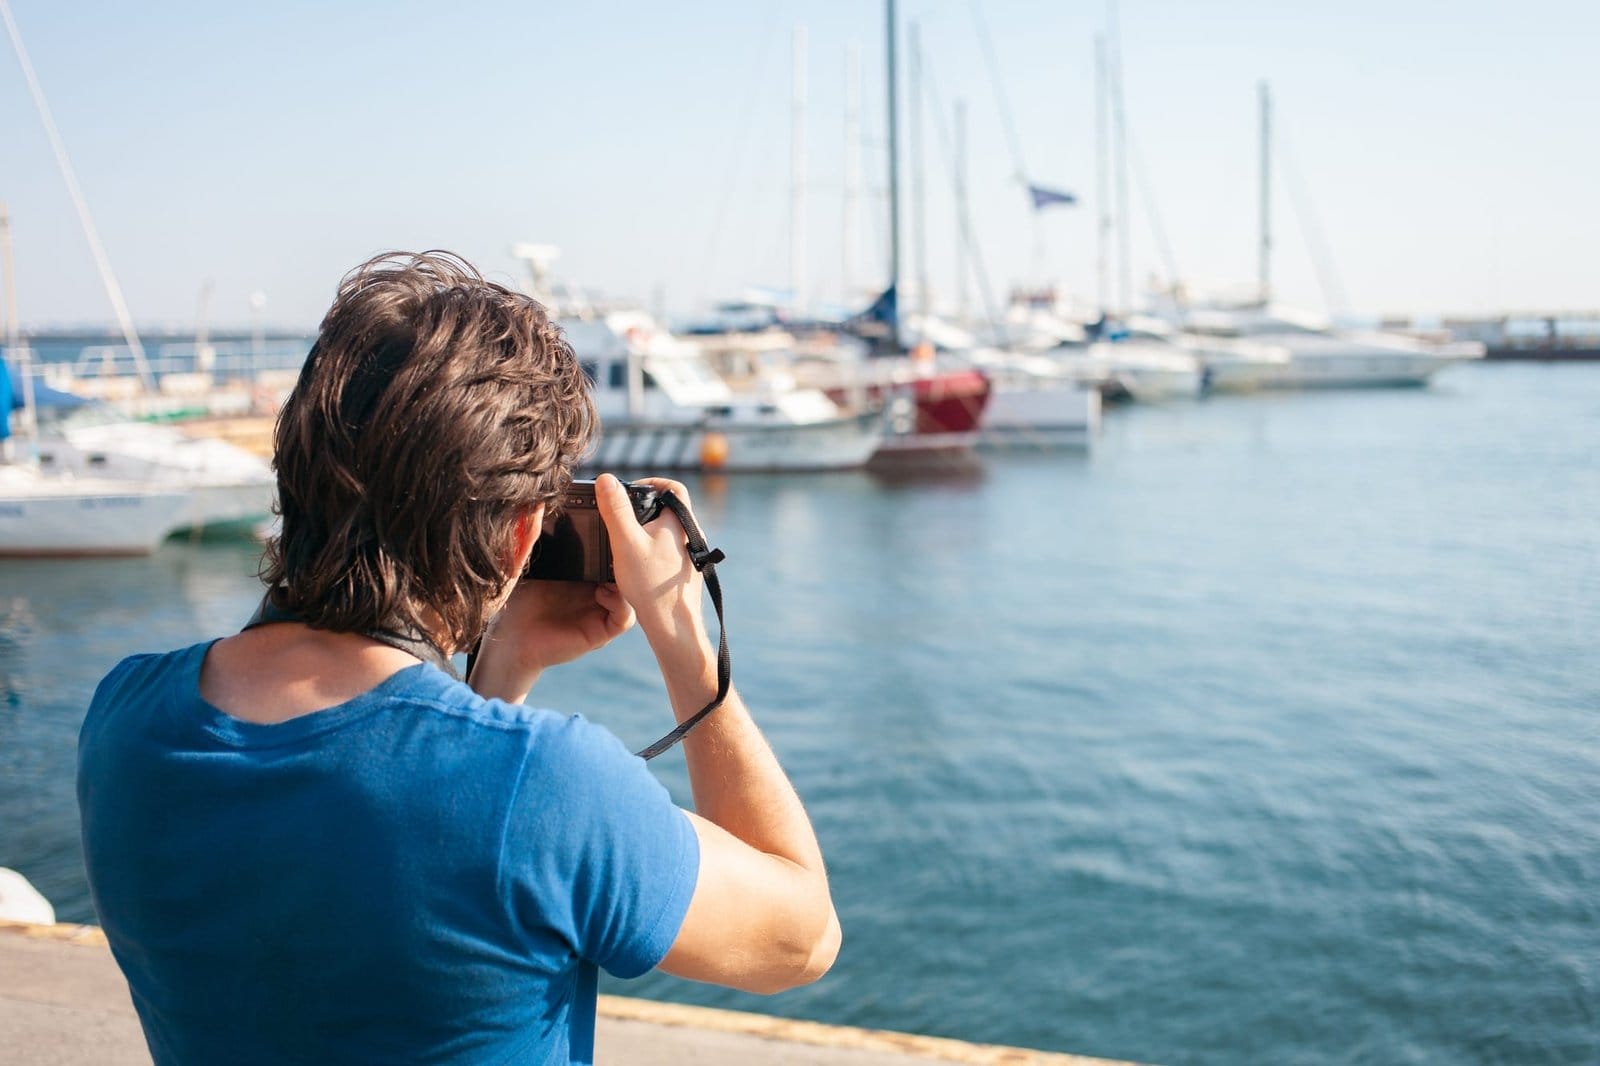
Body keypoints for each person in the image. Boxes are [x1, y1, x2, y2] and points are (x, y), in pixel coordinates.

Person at [76, 251, 840, 1065]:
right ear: (520, 537)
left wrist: (500, 672)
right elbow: (800, 938)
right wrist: (684, 636)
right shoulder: (551, 785)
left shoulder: (125, 720)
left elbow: (394, 818)